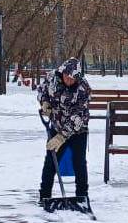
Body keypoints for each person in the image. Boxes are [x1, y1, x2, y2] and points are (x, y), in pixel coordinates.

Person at [38, 57, 90, 209]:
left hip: (78, 130)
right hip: (56, 125)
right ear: (63, 72)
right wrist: (45, 102)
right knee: (50, 162)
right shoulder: (52, 78)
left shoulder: (84, 89)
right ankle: (44, 195)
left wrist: (61, 137)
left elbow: (78, 117)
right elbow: (42, 90)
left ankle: (82, 196)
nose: (69, 80)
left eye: (72, 78)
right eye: (67, 76)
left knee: (79, 163)